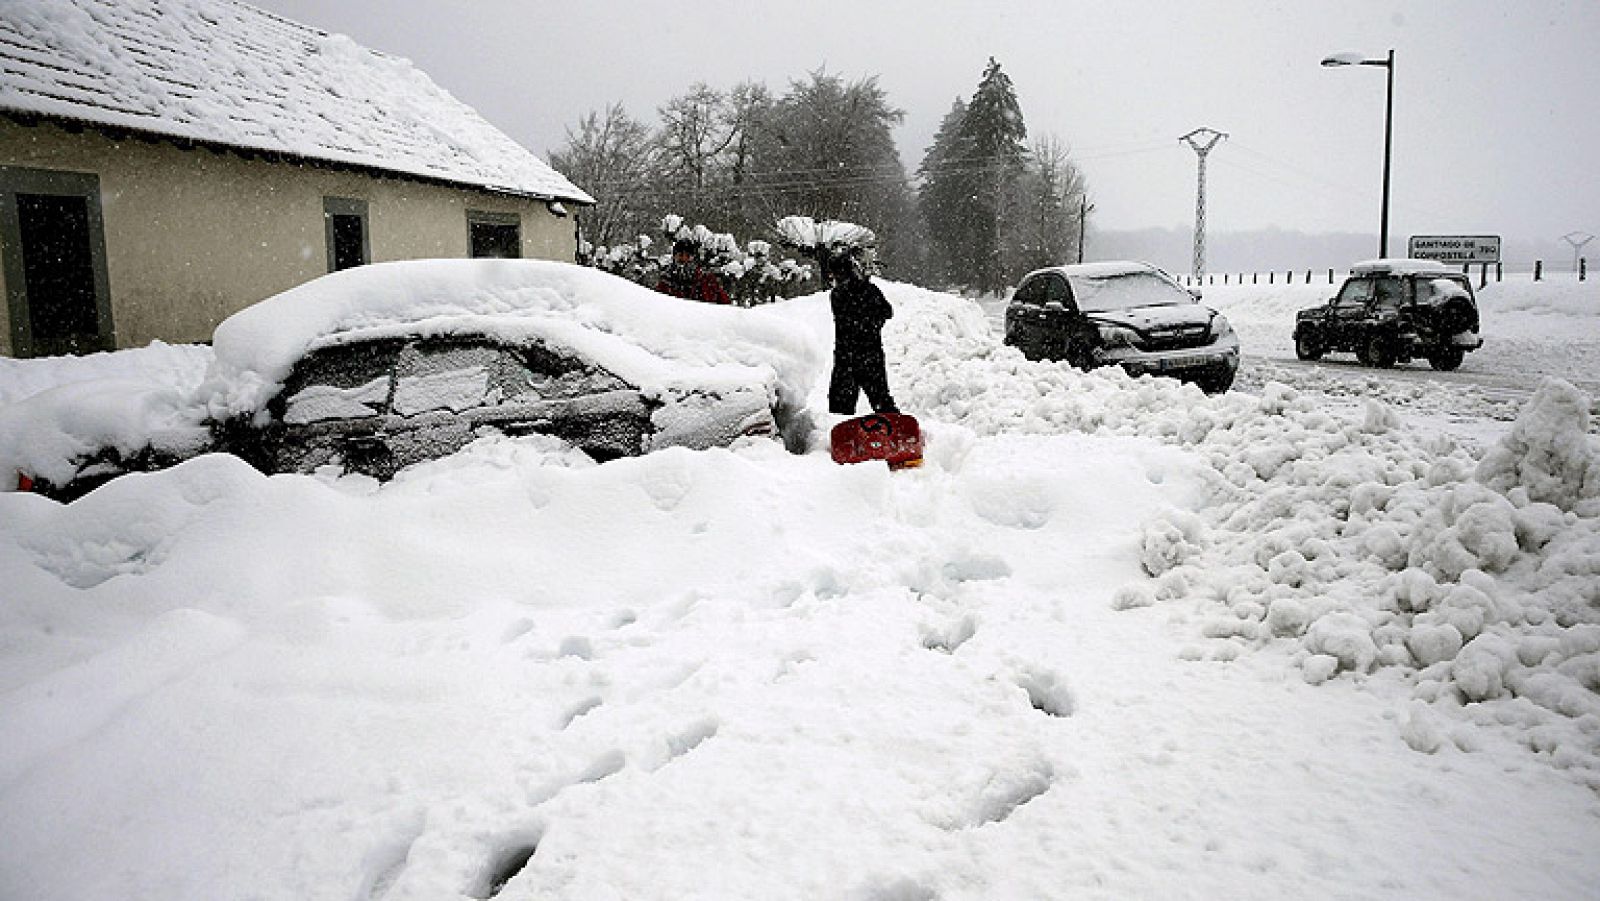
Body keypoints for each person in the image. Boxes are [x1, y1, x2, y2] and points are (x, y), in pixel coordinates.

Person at [826, 253, 898, 416]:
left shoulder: (837, 295)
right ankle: (896, 432)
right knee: (881, 400)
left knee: (840, 407)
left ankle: (846, 439)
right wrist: (874, 324)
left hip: (846, 357)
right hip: (871, 353)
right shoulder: (870, 289)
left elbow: (845, 322)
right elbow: (888, 312)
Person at [654, 238, 731, 304]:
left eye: (688, 256)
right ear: (674, 257)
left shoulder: (707, 280)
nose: (684, 259)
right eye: (680, 255)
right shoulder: (666, 281)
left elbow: (725, 306)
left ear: (693, 258)